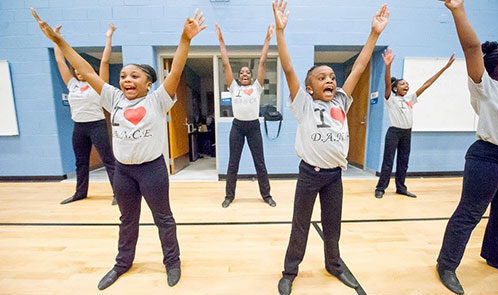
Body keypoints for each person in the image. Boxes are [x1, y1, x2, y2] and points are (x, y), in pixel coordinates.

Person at [31, 7, 206, 290]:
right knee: (127, 220)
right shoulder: (113, 98)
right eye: (123, 75)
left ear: (149, 85)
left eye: (135, 76)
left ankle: (172, 263)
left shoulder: (158, 100)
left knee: (163, 218)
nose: (126, 80)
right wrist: (59, 42)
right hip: (124, 172)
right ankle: (122, 263)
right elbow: (86, 71)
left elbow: (175, 69)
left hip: (152, 170)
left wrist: (184, 39)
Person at [271, 1, 389, 294]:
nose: (330, 81)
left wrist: (373, 34)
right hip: (309, 174)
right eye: (321, 78)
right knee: (300, 226)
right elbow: (287, 67)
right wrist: (281, 32)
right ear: (310, 87)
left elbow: (360, 66)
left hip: (334, 175)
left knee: (332, 225)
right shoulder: (304, 104)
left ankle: (334, 265)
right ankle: (289, 271)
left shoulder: (341, 101)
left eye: (332, 77)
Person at [436, 0, 498, 294]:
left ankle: (495, 256)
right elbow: (472, 49)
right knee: (470, 213)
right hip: (487, 157)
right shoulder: (485, 86)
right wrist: (457, 9)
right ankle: (446, 265)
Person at [374, 49, 455, 199]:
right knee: (388, 161)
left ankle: (401, 188)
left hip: (406, 133)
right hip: (394, 132)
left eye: (407, 84)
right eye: (402, 84)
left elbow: (427, 84)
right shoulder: (390, 98)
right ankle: (380, 188)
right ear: (395, 88)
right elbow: (386, 84)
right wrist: (388, 66)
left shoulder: (410, 98)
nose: (406, 86)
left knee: (403, 161)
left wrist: (445, 67)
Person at [215, 22, 277, 208]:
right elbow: (225, 63)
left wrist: (267, 40)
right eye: (241, 72)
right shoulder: (233, 88)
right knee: (233, 163)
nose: (244, 74)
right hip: (238, 127)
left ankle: (266, 195)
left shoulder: (256, 87)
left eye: (247, 72)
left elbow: (263, 61)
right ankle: (229, 196)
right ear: (238, 76)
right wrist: (221, 42)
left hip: (253, 127)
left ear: (251, 76)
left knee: (260, 162)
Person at [55, 24, 117, 205]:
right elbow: (60, 62)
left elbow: (105, 62)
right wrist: (57, 39)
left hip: (97, 125)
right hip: (79, 127)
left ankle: (117, 194)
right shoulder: (72, 84)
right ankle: (80, 193)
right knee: (80, 162)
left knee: (108, 161)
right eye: (75, 68)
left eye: (80, 68)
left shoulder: (98, 83)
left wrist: (109, 37)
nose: (77, 71)